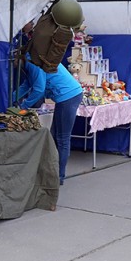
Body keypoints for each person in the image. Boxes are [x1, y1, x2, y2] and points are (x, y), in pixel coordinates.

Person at [15, 54, 83, 185]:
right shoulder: (32, 61)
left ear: (18, 57)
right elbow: (26, 85)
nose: (13, 65)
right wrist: (9, 98)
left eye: (13, 61)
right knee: (54, 136)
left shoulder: (33, 63)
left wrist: (23, 106)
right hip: (68, 96)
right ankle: (52, 173)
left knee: (62, 138)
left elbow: (39, 90)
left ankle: (59, 177)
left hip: (68, 96)